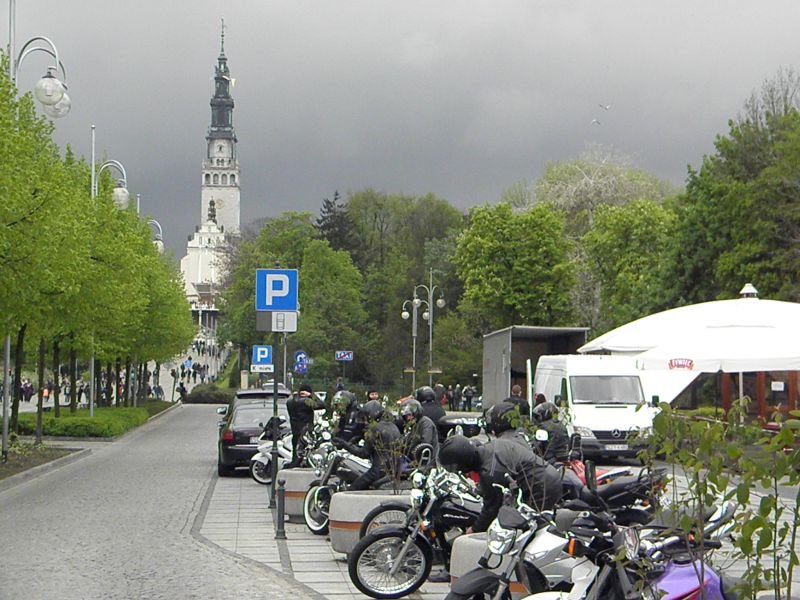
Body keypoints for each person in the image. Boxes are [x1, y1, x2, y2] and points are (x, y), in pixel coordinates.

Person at [438, 434, 563, 533]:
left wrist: (474, 529)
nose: (457, 470)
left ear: (464, 461)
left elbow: (491, 509)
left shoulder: (490, 472)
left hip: (542, 486)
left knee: (526, 530)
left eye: (454, 466)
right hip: (545, 475)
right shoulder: (489, 448)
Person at [333, 399, 402, 490]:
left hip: (378, 471)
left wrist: (344, 444)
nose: (365, 422)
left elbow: (363, 453)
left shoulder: (374, 429)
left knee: (352, 489)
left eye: (365, 418)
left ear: (371, 416)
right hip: (394, 470)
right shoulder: (392, 426)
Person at [285, 383, 325, 468]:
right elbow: (321, 405)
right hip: (306, 433)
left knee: (296, 455)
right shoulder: (306, 401)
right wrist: (312, 395)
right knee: (306, 455)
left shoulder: (290, 401)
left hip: (295, 431)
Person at [400, 399, 439, 467]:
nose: (408, 418)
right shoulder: (414, 426)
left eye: (410, 415)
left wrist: (413, 463)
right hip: (413, 461)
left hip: (427, 463)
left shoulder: (426, 423)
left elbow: (426, 445)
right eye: (406, 416)